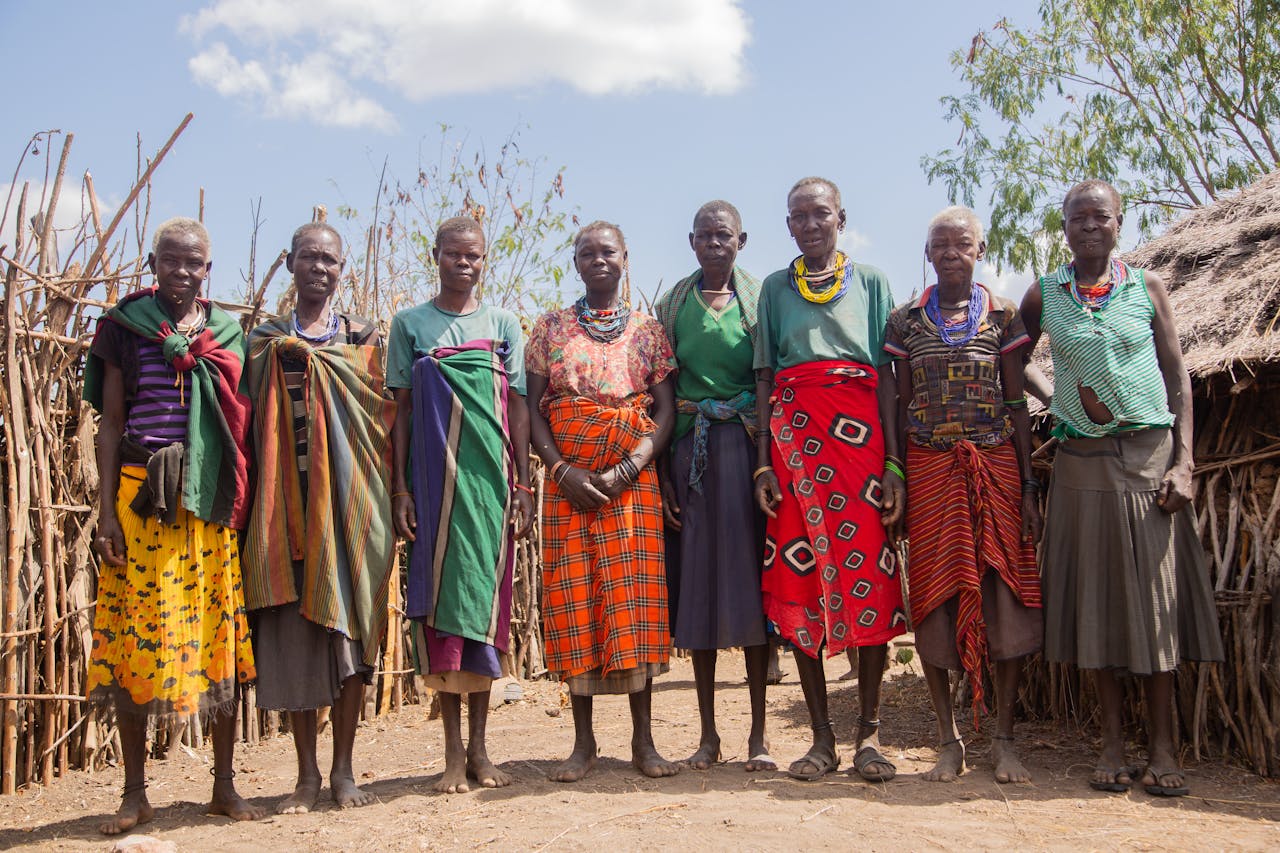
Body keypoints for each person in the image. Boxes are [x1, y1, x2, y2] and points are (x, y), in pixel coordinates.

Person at [1021, 179, 1223, 797]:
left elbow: (1176, 373)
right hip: (1082, 464)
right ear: (1064, 228)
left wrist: (1185, 463)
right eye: (1077, 218)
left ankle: (1162, 746)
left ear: (1118, 223)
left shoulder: (1147, 287)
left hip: (1148, 458)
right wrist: (1057, 400)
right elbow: (1018, 360)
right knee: (1097, 603)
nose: (1089, 227)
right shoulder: (1044, 295)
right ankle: (1111, 742)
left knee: (1156, 605)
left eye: (1100, 217)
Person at [83, 217, 264, 833]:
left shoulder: (224, 332)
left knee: (219, 642)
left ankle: (223, 785)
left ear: (208, 270)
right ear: (152, 261)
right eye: (171, 261)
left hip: (205, 503)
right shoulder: (124, 327)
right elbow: (110, 424)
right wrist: (104, 511)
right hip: (138, 503)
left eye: (194, 263)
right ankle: (135, 793)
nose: (182, 272)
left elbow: (237, 425)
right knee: (133, 642)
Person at [753, 177, 908, 782]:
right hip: (794, 448)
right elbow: (765, 377)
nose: (811, 225)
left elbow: (889, 378)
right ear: (788, 225)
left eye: (821, 214)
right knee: (800, 579)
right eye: (799, 217)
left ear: (841, 216)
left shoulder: (870, 282)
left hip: (862, 447)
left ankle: (869, 735)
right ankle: (821, 739)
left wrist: (894, 465)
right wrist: (764, 460)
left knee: (872, 578)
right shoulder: (772, 288)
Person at [883, 206, 1042, 784]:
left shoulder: (1001, 317)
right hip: (928, 469)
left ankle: (1003, 739)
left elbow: (1017, 402)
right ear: (928, 254)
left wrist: (1026, 483)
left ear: (980, 248)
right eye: (941, 245)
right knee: (933, 596)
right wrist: (895, 469)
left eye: (963, 244)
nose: (952, 253)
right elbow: (896, 403)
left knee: (1004, 594)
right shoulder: (904, 322)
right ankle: (947, 740)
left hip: (994, 465)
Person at [243, 222, 396, 812]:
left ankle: (344, 771)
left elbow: (386, 416)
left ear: (341, 269)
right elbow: (245, 420)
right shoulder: (262, 342)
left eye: (330, 260)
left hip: (352, 506)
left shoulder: (364, 338)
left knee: (350, 635)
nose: (320, 268)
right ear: (289, 263)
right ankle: (306, 777)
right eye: (309, 257)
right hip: (284, 509)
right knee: (295, 639)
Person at [526, 220, 679, 782]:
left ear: (624, 257)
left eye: (607, 252)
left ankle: (644, 742)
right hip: (569, 485)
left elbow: (667, 410)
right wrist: (560, 469)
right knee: (575, 602)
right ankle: (583, 743)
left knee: (633, 603)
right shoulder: (550, 329)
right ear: (575, 262)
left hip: (630, 485)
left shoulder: (649, 332)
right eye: (586, 253)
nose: (597, 261)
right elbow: (534, 410)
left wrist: (631, 467)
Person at [388, 216, 534, 794]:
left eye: (473, 256)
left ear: (484, 259)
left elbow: (517, 409)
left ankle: (480, 750)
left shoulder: (503, 325)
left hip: (489, 487)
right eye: (454, 255)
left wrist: (523, 485)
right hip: (432, 488)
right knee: (442, 618)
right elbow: (398, 410)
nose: (464, 264)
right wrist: (400, 487)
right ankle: (450, 754)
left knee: (486, 612)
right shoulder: (409, 324)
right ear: (437, 256)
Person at [654, 200, 773, 772]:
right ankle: (708, 736)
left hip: (746, 452)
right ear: (692, 241)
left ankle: (758, 735)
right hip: (690, 456)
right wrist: (662, 478)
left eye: (723, 235)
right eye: (703, 236)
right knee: (698, 595)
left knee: (751, 590)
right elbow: (662, 390)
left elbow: (766, 380)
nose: (713, 244)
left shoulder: (760, 300)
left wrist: (766, 462)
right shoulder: (673, 303)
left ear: (741, 240)